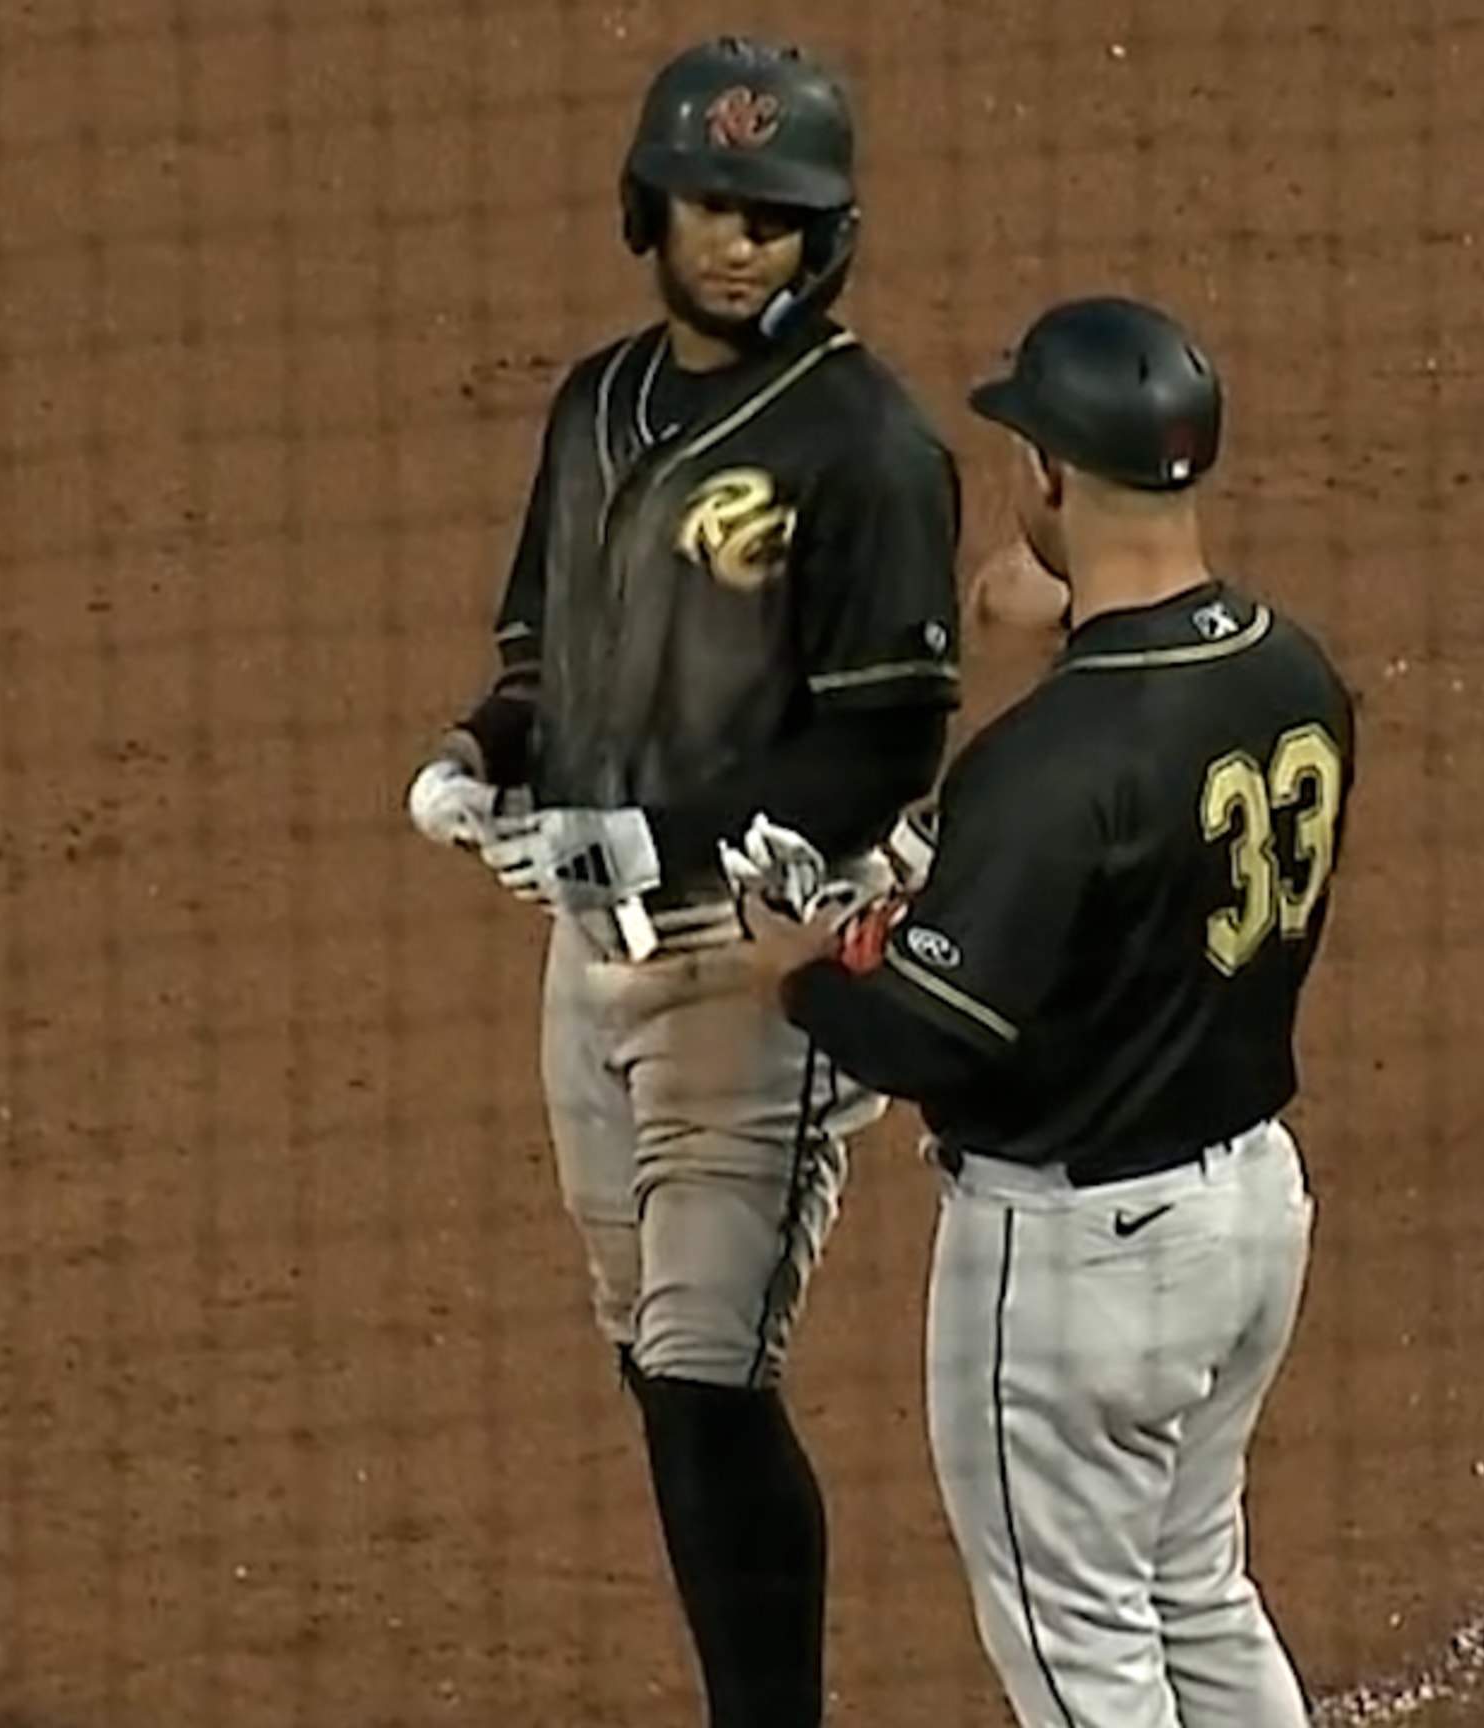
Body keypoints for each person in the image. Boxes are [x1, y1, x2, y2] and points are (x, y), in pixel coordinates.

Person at [398, 34, 966, 1728]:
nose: (742, 243)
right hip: (587, 969)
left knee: (712, 1370)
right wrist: (477, 758)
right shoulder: (595, 406)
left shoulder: (865, 445)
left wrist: (684, 845)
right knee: (653, 1364)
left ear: (827, 239)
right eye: (714, 207)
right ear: (649, 207)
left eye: (780, 218)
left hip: (760, 972)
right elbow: (542, 656)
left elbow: (886, 743)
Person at [734, 294, 1357, 1728]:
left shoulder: (1046, 768)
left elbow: (938, 1029)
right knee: (1196, 1585)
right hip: (1249, 1218)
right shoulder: (1296, 674)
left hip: (1079, 1269)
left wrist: (802, 965)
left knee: (1085, 1662)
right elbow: (1142, 774)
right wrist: (1078, 625)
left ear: (1053, 478)